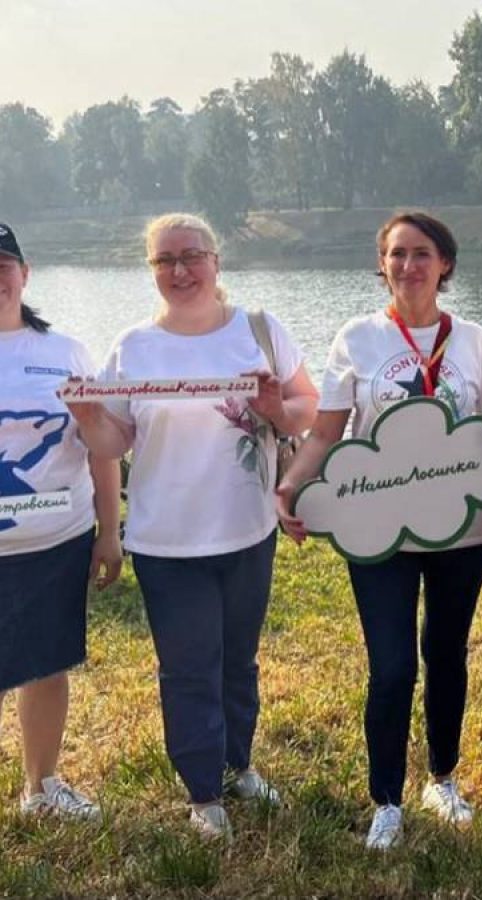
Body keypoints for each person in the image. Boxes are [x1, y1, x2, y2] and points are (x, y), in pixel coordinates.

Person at [66, 213, 318, 840]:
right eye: (163, 261)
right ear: (151, 270)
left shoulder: (260, 330)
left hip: (248, 531)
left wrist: (272, 408)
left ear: (216, 261)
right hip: (165, 539)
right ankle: (203, 791)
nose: (179, 271)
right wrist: (85, 414)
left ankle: (239, 764)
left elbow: (306, 407)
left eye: (191, 256)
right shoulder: (132, 347)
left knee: (238, 661)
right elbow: (113, 440)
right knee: (188, 666)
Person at [276, 212, 482, 851]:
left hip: (464, 529)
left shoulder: (475, 341)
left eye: (422, 253)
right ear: (381, 264)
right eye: (397, 254)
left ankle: (443, 778)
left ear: (446, 264)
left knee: (446, 653)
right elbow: (327, 431)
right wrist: (293, 483)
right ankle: (386, 799)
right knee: (393, 666)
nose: (409, 266)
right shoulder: (357, 337)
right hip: (378, 531)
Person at [0, 223, 122, 820]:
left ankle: (40, 788)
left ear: (25, 274)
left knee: (44, 665)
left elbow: (100, 446)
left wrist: (110, 530)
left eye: (4, 264)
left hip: (56, 539)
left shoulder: (65, 352)